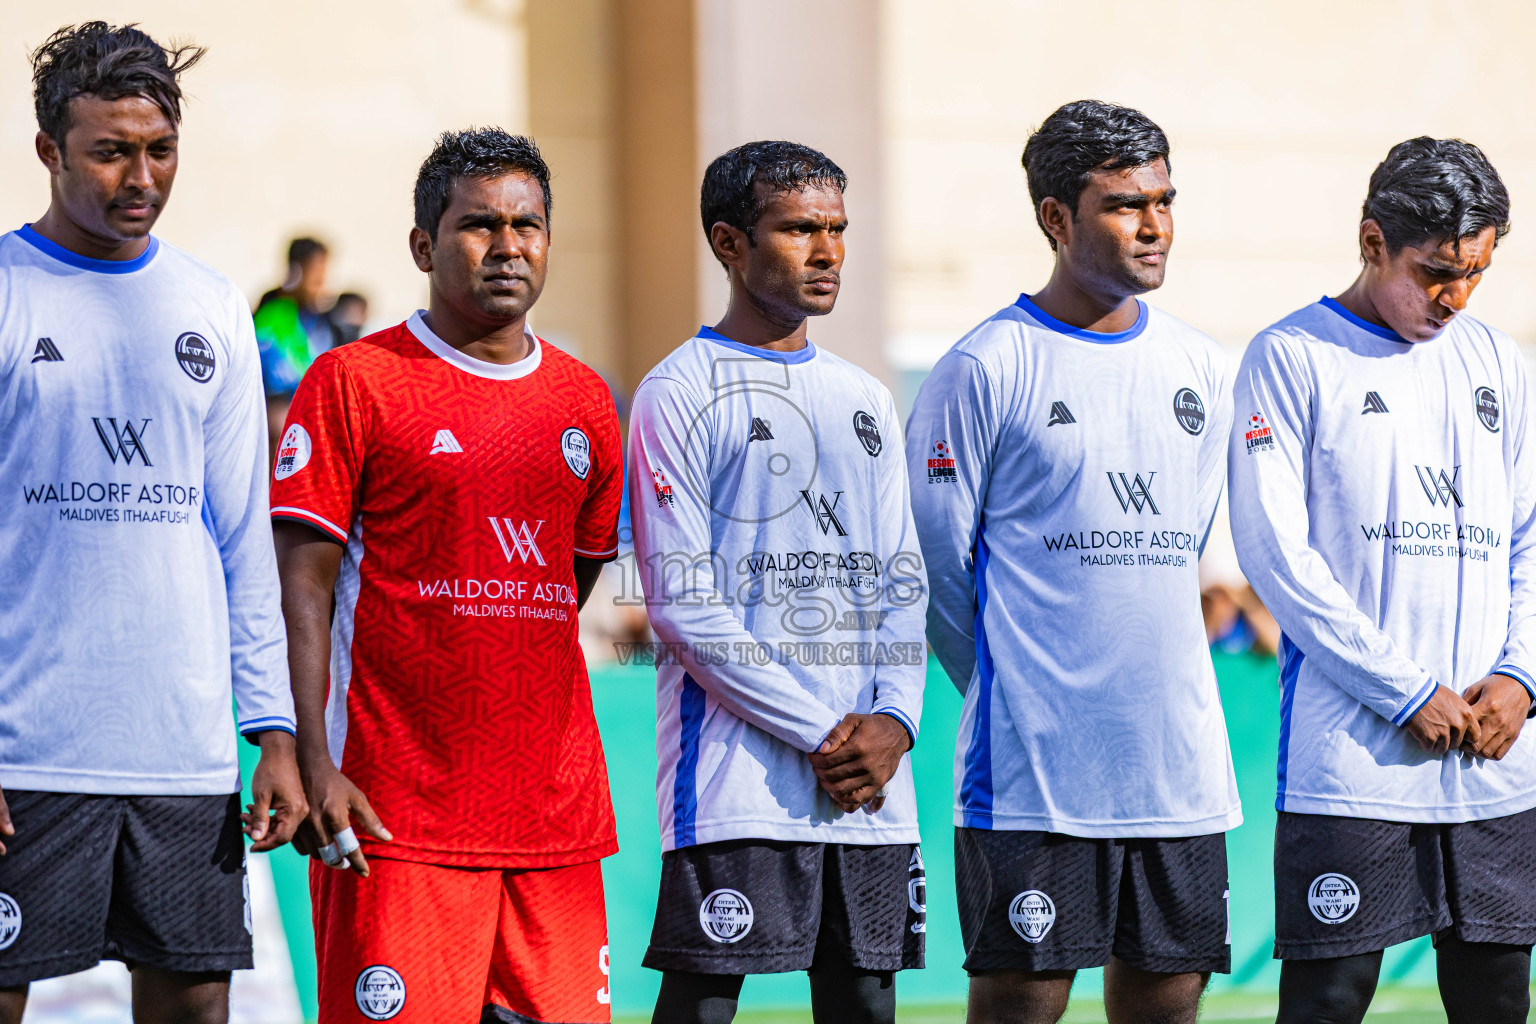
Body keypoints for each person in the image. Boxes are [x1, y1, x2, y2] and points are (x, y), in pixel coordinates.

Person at [271, 129, 623, 1024]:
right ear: (425, 246)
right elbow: (300, 585)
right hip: (395, 818)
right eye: (479, 226)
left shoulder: (586, 402)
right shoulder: (354, 381)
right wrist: (315, 760)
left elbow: (564, 589)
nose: (508, 247)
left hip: (553, 820)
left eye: (528, 225)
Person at [906, 100, 1240, 1024]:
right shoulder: (983, 368)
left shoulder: (1205, 371)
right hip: (1032, 776)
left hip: (1177, 770)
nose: (1156, 224)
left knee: (1168, 1008)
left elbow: (1189, 547)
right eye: (1126, 205)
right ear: (1057, 218)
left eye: (1165, 201)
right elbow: (936, 572)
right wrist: (1015, 689)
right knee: (1021, 1005)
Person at [0, 21, 305, 1023]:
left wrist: (273, 732)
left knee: (194, 1011)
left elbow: (239, 539)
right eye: (111, 151)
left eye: (160, 149)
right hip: (27, 753)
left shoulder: (213, 308)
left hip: (183, 756)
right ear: (49, 150)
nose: (142, 176)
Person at [1228, 138, 1536, 1024]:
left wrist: (1520, 678)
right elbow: (1276, 555)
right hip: (1353, 759)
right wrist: (1402, 691)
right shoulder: (1290, 355)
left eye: (1475, 272)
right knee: (1330, 997)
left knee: (1497, 999)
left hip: (1493, 759)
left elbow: (1528, 542)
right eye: (1437, 271)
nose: (1457, 296)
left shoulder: (1499, 365)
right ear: (1372, 242)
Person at [628, 141, 927, 1024]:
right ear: (729, 242)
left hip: (870, 783)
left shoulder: (864, 395)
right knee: (704, 1004)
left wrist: (896, 723)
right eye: (799, 229)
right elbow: (683, 604)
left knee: (866, 1006)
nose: (827, 250)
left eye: (836, 229)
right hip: (738, 785)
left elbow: (900, 578)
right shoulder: (677, 391)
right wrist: (826, 732)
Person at [255, 237, 342, 456]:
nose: (322, 283)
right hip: (279, 411)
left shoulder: (324, 321)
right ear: (297, 271)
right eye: (316, 277)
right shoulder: (273, 313)